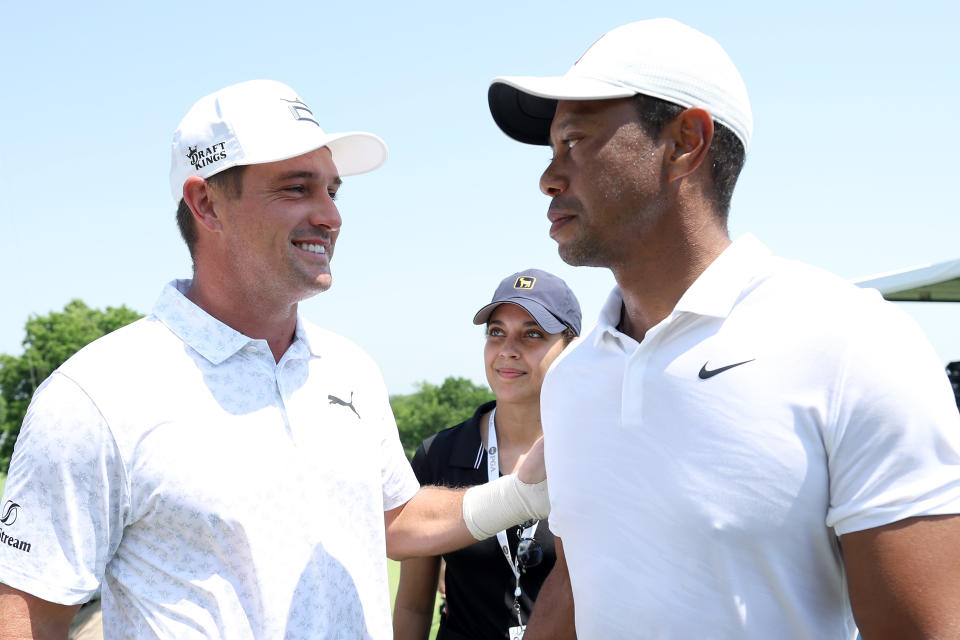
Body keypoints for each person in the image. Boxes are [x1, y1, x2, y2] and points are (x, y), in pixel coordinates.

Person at [0, 79, 550, 640]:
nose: (331, 215)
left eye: (333, 190)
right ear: (206, 203)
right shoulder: (97, 396)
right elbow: (23, 614)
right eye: (296, 188)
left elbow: (393, 520)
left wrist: (522, 493)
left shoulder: (351, 369)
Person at [486, 18, 960, 640]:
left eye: (575, 141)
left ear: (686, 141)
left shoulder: (853, 343)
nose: (548, 177)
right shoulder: (573, 377)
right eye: (552, 150)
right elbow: (581, 584)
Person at [393, 269, 581, 640]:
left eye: (532, 334)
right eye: (496, 332)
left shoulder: (594, 452)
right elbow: (413, 605)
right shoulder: (439, 454)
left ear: (571, 348)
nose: (508, 349)